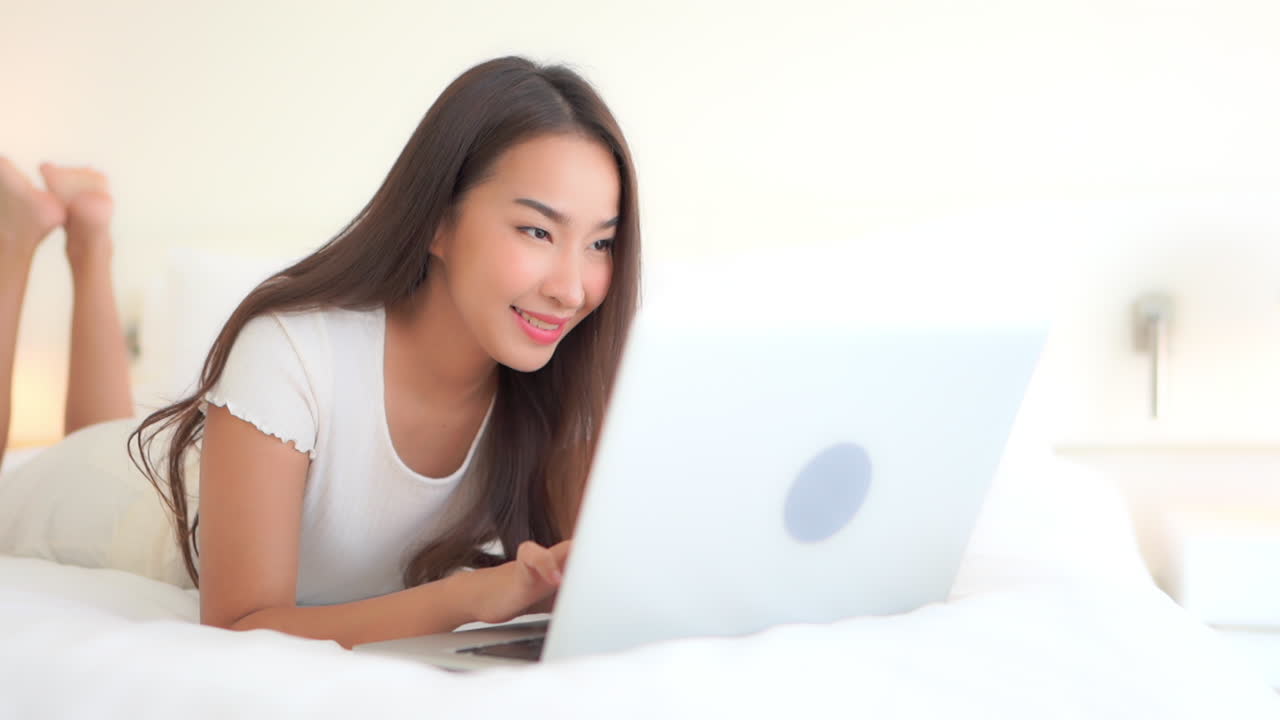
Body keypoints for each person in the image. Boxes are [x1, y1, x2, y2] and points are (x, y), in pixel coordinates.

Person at [0, 56, 641, 650]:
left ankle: (88, 239)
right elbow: (239, 624)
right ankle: (19, 238)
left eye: (600, 244)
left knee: (108, 430)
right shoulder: (294, 351)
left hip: (206, 467)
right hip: (131, 510)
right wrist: (464, 599)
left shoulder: (569, 380)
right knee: (84, 451)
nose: (572, 287)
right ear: (437, 222)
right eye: (537, 231)